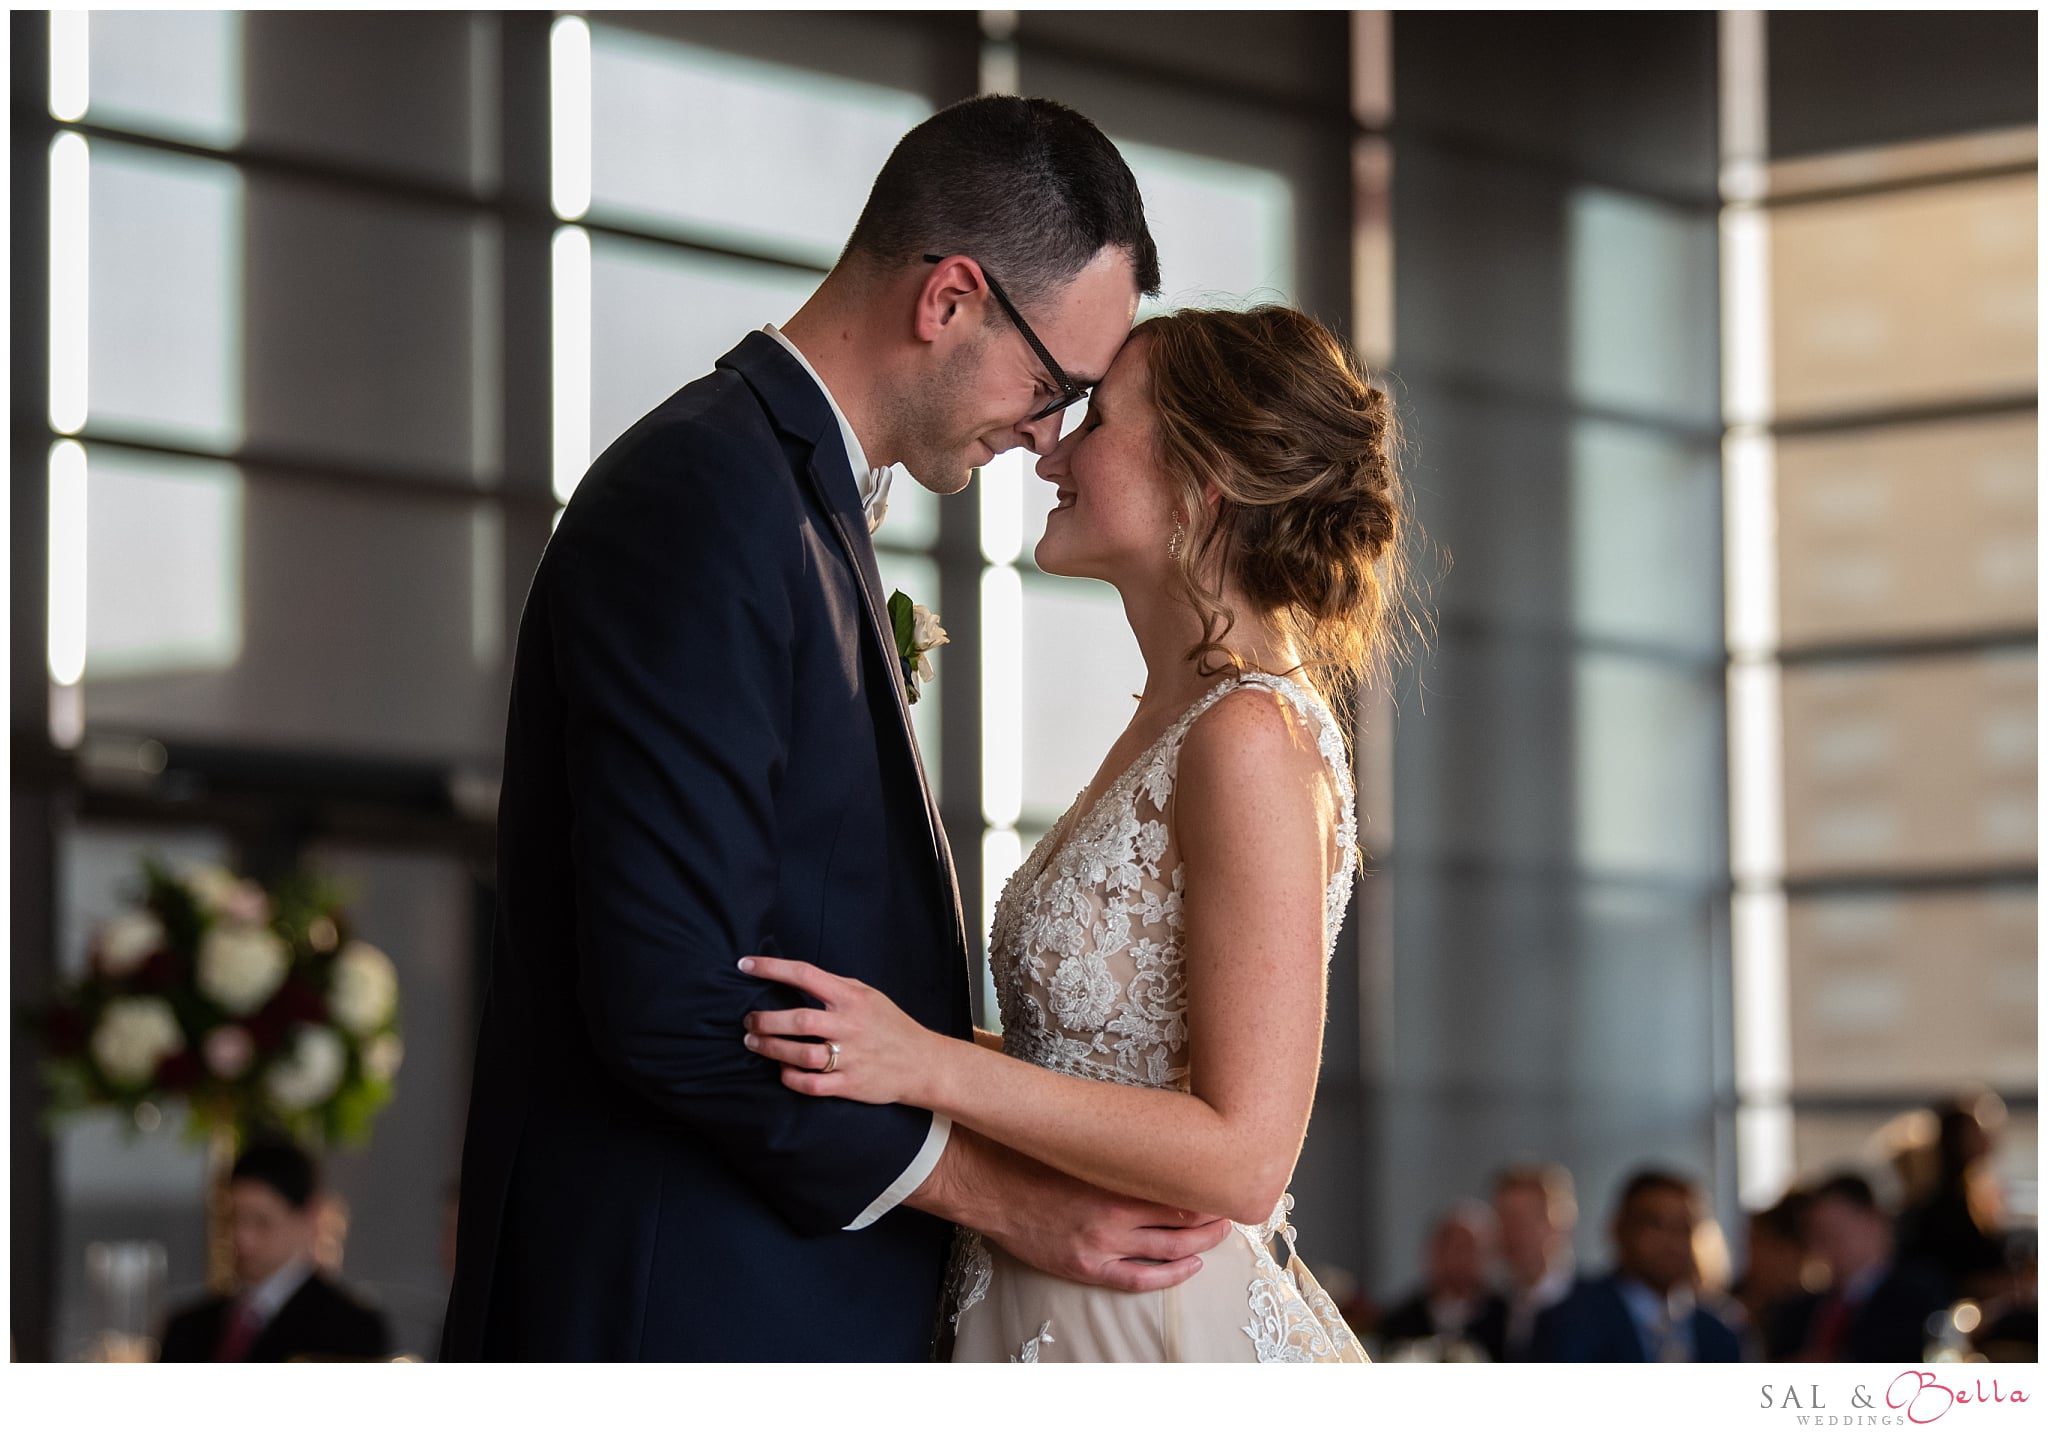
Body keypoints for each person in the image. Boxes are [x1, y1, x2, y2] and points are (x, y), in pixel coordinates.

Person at [441, 95, 1236, 1363]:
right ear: (949, 299)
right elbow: (670, 998)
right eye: (1051, 387)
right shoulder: (704, 497)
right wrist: (1002, 1199)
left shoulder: (794, 497)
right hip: (680, 1312)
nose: (1045, 440)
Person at [740, 302, 1413, 1361]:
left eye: (1097, 422)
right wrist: (888, 1039)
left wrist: (926, 1063)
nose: (1052, 452)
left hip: (1148, 1331)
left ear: (1205, 482)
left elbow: (1245, 1154)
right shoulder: (1170, 716)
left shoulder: (1247, 733)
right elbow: (1102, 1069)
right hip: (1047, 1294)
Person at [158, 1140, 390, 1363]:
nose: (242, 1237)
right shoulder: (188, 1326)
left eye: (261, 1222)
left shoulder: (349, 1329)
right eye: (232, 1219)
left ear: (308, 1217)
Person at [1529, 1168, 1745, 1363]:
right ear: (1619, 1230)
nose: (1673, 1242)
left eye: (1684, 1228)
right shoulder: (1571, 1323)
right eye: (1655, 1225)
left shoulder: (1720, 1331)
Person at [1786, 1170, 1950, 1363]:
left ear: (1875, 1222)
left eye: (1835, 1232)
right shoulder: (1802, 1309)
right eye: (1817, 1235)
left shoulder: (1919, 1295)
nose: (1823, 1246)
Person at [1376, 1203, 1509, 1361]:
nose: (1460, 1259)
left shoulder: (1506, 1319)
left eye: (1469, 1249)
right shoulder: (1400, 1321)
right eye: (1453, 1247)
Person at [1487, 1161, 1579, 1362]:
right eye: (1506, 1218)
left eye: (1529, 1218)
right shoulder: (1490, 1309)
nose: (1516, 1231)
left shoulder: (1598, 1309)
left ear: (1560, 1223)